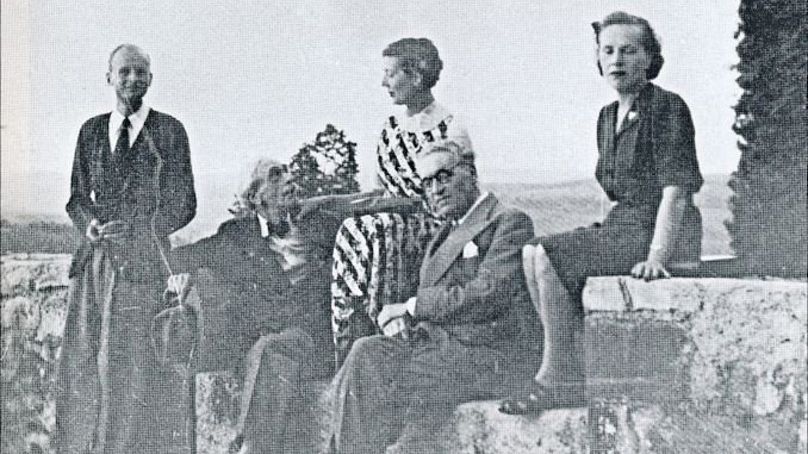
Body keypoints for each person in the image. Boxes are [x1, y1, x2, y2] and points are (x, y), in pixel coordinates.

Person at [499, 11, 704, 414]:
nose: (617, 60)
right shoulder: (607, 117)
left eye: (629, 51)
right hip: (623, 224)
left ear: (649, 58)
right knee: (530, 251)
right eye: (608, 51)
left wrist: (656, 258)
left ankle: (553, 378)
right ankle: (567, 363)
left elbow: (675, 192)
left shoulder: (667, 107)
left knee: (551, 256)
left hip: (660, 229)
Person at [330, 141, 539, 453]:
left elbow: (489, 292)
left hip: (487, 355)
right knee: (366, 351)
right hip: (441, 351)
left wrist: (413, 307)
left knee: (374, 379)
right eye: (427, 183)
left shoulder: (507, 221)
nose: (436, 190)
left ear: (470, 173)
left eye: (444, 176)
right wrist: (403, 320)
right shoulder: (442, 235)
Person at [55, 44, 196, 453]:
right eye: (124, 72)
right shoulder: (91, 131)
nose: (132, 79)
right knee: (81, 367)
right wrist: (90, 226)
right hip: (93, 267)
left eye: (140, 72)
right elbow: (77, 198)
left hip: (141, 267)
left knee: (128, 370)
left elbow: (185, 204)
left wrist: (140, 230)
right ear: (109, 78)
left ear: (150, 79)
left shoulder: (169, 131)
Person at [167, 160, 341, 453]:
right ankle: (251, 445)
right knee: (266, 350)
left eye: (287, 172)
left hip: (316, 341)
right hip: (269, 346)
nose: (289, 178)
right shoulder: (236, 236)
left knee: (269, 350)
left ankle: (250, 447)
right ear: (255, 198)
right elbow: (183, 258)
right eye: (276, 176)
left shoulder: (321, 222)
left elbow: (366, 203)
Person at [330, 37, 473, 366]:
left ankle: (386, 339)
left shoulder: (451, 128)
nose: (384, 83)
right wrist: (328, 202)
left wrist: (389, 207)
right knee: (355, 230)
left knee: (379, 229)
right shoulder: (389, 129)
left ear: (416, 76)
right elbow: (380, 192)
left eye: (390, 74)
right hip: (392, 219)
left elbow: (456, 196)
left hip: (438, 228)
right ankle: (349, 339)